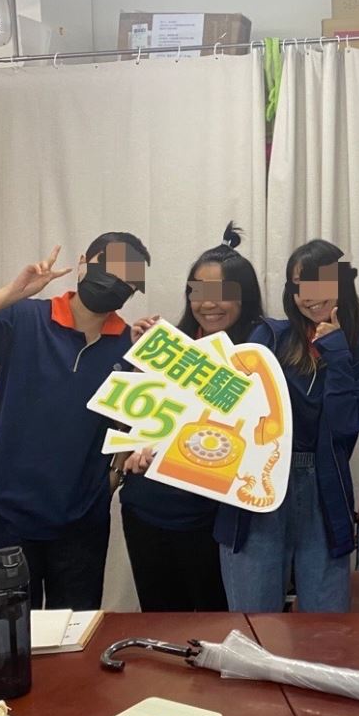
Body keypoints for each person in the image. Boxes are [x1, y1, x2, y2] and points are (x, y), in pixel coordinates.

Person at [0, 234, 149, 609]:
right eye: (109, 267)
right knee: (8, 633)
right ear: (84, 262)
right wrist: (11, 294)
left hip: (81, 522)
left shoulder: (130, 345)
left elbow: (133, 426)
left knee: (74, 636)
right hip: (6, 517)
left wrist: (112, 478)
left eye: (128, 278)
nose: (115, 281)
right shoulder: (25, 318)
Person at [215, 239, 359, 612]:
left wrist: (337, 352)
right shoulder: (270, 335)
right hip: (258, 484)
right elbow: (226, 402)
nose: (309, 295)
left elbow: (345, 424)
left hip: (322, 491)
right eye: (299, 284)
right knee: (254, 620)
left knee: (326, 626)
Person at [118, 224, 263, 612]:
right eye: (198, 292)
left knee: (217, 622)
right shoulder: (170, 345)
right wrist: (139, 357)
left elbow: (257, 432)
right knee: (160, 621)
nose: (208, 304)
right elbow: (135, 417)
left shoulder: (261, 351)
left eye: (222, 293)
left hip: (214, 518)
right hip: (146, 508)